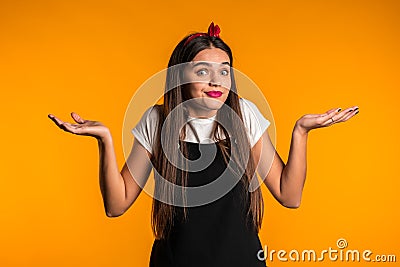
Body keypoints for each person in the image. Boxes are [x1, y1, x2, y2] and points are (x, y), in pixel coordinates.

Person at [48, 22, 359, 267]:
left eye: (224, 71)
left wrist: (301, 132)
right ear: (180, 76)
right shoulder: (158, 119)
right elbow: (116, 206)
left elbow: (290, 196)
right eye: (203, 71)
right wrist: (105, 140)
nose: (217, 81)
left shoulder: (244, 113)